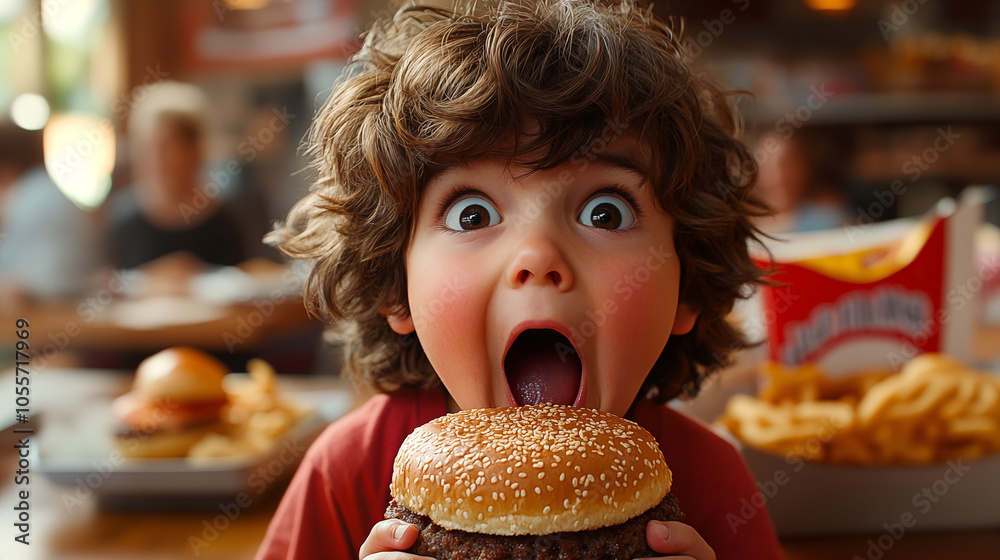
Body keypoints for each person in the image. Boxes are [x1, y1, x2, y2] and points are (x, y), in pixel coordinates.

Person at [256, 1, 783, 559]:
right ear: (395, 284)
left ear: (687, 288)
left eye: (605, 212)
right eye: (472, 215)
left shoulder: (711, 478)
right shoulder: (348, 469)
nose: (537, 255)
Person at [107, 81, 246, 272]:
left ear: (195, 150)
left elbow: (244, 283)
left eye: (166, 147)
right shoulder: (122, 220)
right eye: (147, 147)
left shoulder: (226, 221)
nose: (156, 159)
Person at [0, 118, 103, 303]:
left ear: (6, 168)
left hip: (56, 316)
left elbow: (28, 287)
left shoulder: (34, 199)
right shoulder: (39, 192)